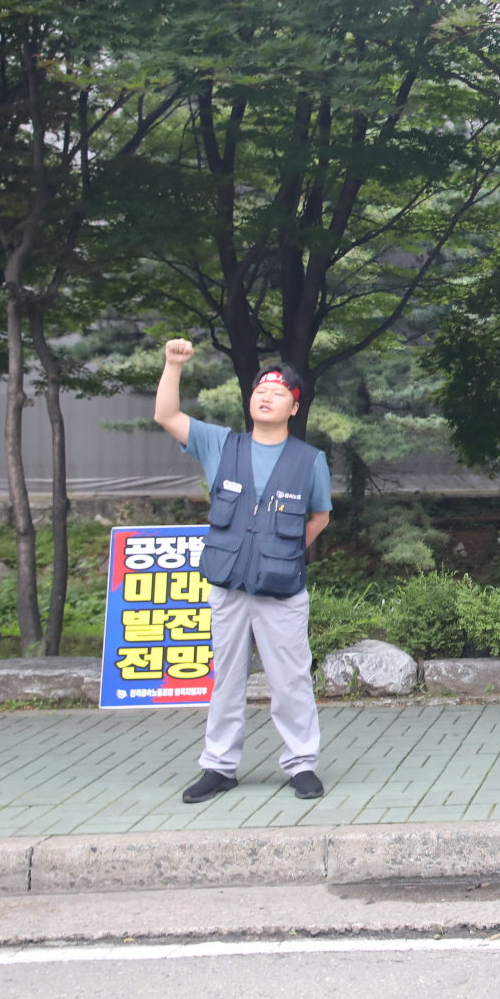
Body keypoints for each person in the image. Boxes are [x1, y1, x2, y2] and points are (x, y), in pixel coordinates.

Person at [154, 339, 332, 804]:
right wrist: (173, 365)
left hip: (282, 592)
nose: (266, 396)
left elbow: (319, 516)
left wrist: (282, 555)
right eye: (260, 390)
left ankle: (301, 764)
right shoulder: (221, 444)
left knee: (291, 679)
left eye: (278, 392)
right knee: (227, 678)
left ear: (294, 406)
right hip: (229, 587)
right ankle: (219, 766)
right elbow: (167, 415)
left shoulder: (310, 460)